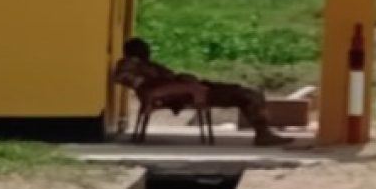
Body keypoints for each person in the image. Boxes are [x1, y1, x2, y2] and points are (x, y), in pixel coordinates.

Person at [113, 37, 291, 146]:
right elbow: (126, 79)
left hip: (189, 88)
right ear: (136, 51)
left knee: (243, 92)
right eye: (145, 49)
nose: (148, 51)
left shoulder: (148, 65)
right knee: (247, 95)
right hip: (188, 93)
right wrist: (176, 85)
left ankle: (263, 132)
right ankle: (263, 134)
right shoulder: (131, 64)